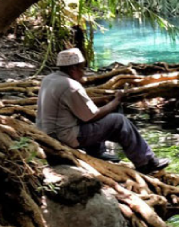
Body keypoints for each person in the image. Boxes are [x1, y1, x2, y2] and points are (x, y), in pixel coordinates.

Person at [36, 48, 170, 174]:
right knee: (119, 121)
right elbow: (91, 116)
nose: (84, 72)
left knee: (110, 110)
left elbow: (77, 107)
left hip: (48, 134)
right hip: (64, 137)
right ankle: (146, 163)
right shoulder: (70, 86)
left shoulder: (49, 79)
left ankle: (98, 152)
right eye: (82, 68)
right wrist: (117, 100)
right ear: (73, 69)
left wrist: (107, 101)